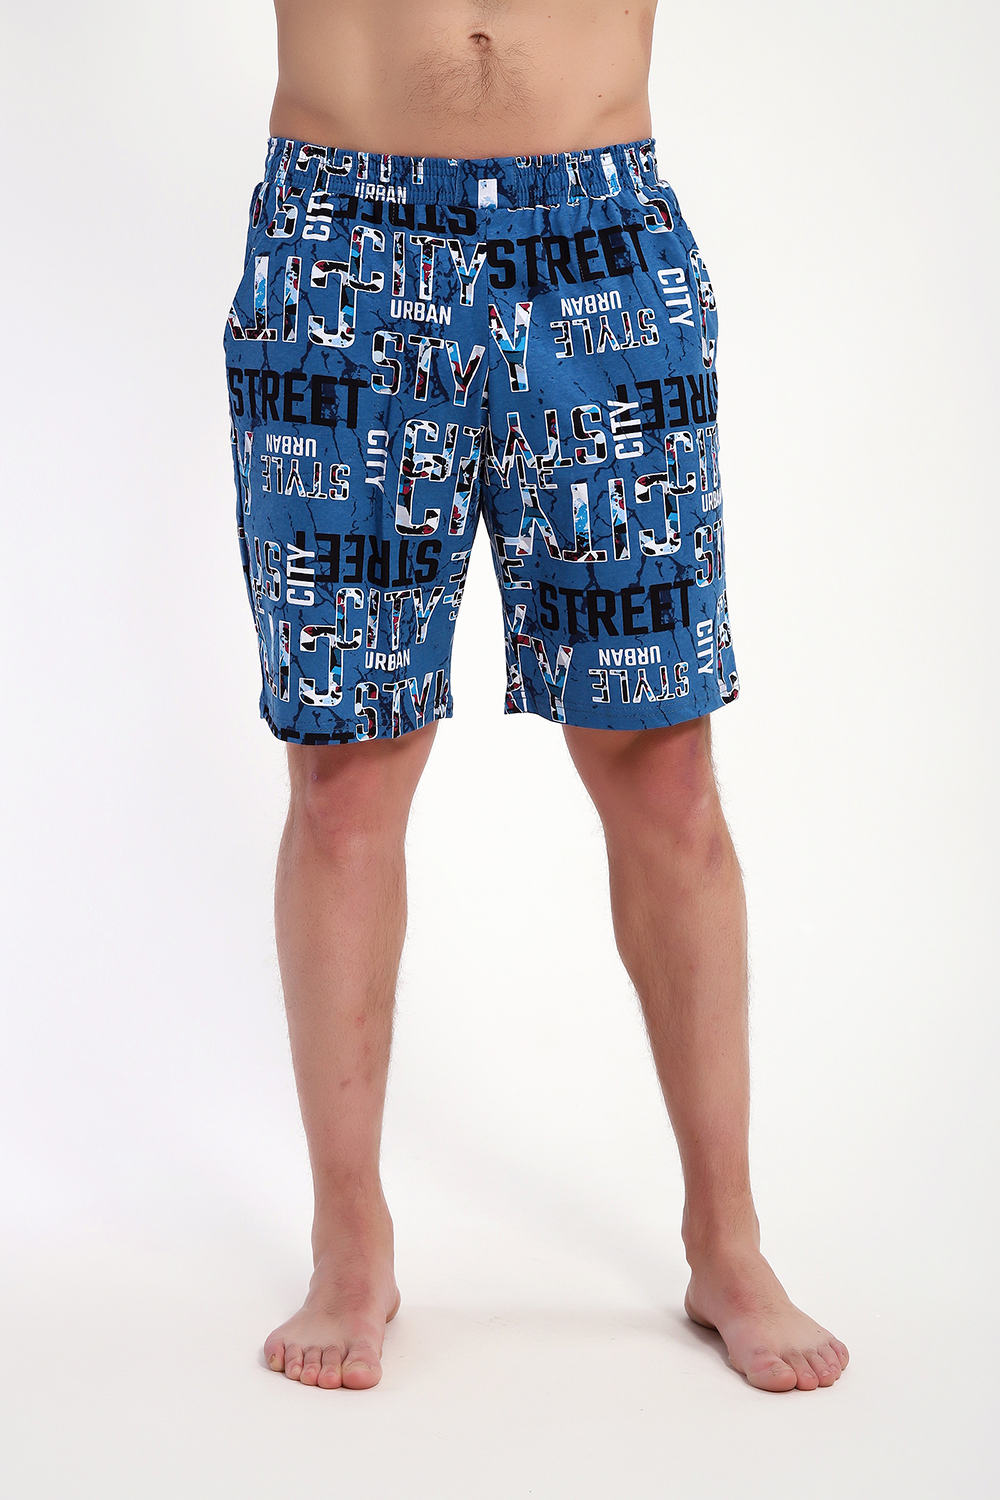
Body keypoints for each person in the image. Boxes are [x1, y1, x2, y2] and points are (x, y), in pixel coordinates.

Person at [224, 0, 849, 1394]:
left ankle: (728, 1242)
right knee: (344, 776)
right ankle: (349, 1246)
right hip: (341, 244)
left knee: (664, 768)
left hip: (600, 240)